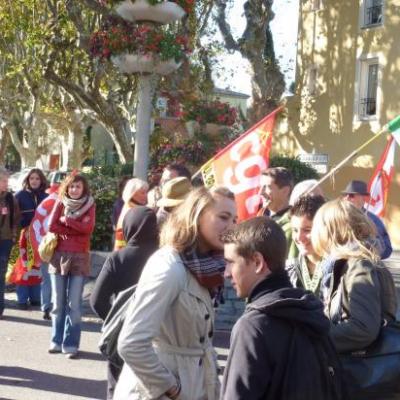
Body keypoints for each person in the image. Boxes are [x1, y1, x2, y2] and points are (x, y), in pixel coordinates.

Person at [113, 186, 237, 400]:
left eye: (235, 220)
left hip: (194, 383)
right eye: (223, 217)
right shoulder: (170, 266)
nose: (231, 227)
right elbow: (131, 343)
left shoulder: (208, 265)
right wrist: (173, 389)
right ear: (197, 216)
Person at [221, 216, 344, 400]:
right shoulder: (311, 313)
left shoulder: (253, 327)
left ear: (257, 262)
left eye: (231, 262)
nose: (226, 273)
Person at [311, 199, 397, 353]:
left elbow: (362, 328)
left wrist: (314, 340)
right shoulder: (351, 264)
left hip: (361, 370)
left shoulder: (359, 267)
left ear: (330, 232)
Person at [91, 206, 158, 400]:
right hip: (157, 334)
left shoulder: (118, 258)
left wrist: (115, 321)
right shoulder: (166, 257)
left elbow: (97, 300)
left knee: (117, 387)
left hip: (124, 335)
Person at [47, 173, 96, 359]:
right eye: (72, 186)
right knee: (58, 303)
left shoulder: (90, 204)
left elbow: (88, 229)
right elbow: (52, 226)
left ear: (84, 189)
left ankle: (71, 343)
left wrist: (67, 222)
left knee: (74, 304)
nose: (74, 190)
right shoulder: (60, 203)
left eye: (78, 187)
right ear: (66, 188)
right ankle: (56, 340)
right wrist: (77, 226)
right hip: (58, 255)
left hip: (79, 257)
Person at [15, 168, 48, 309]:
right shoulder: (19, 196)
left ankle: (35, 298)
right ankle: (22, 299)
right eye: (31, 178)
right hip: (24, 237)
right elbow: (14, 218)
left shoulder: (46, 197)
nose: (34, 181)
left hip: (41, 238)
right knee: (24, 268)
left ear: (41, 181)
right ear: (27, 180)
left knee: (38, 267)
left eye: (37, 178)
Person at [286, 195, 326, 296]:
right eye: (295, 230)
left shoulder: (339, 268)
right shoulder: (288, 270)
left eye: (307, 230)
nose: (299, 237)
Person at [342, 179, 392, 259]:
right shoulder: (337, 216)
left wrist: (367, 250)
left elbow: (387, 249)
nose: (347, 198)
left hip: (363, 264)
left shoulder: (373, 220)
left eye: (351, 195)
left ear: (363, 197)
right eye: (345, 195)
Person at [258, 167, 297, 258]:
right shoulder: (260, 217)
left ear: (285, 191)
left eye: (267, 187)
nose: (260, 192)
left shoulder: (294, 225)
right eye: (260, 187)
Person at [0, 169, 19, 319]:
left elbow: (16, 219)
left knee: (1, 274)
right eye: (4, 181)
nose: (6, 184)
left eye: (7, 181)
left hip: (5, 241)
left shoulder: (10, 198)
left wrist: (13, 238)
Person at [114, 178, 148, 250]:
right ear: (132, 194)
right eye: (142, 193)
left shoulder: (129, 206)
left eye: (146, 192)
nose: (146, 196)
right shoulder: (135, 211)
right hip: (127, 251)